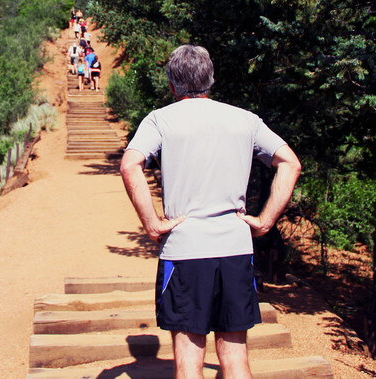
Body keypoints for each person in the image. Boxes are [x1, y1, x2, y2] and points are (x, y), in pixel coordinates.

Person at [120, 45, 300, 379]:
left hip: (186, 252)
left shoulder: (160, 119)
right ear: (211, 80)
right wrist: (264, 221)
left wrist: (153, 225)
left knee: (189, 363)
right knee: (235, 359)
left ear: (172, 85)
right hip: (235, 250)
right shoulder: (245, 119)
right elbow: (290, 162)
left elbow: (130, 165)